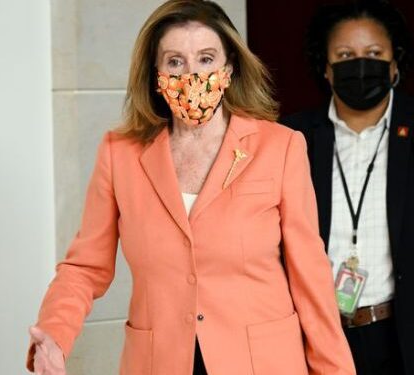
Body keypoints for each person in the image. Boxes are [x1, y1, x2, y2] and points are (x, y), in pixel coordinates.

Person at [26, 1, 356, 374]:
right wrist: (54, 335)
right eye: (175, 62)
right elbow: (83, 268)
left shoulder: (280, 147)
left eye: (206, 58)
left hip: (262, 363)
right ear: (155, 73)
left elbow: (310, 280)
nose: (192, 74)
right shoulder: (119, 154)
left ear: (229, 68)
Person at [282, 1, 414, 375]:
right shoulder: (292, 139)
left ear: (395, 64)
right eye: (345, 55)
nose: (361, 64)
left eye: (374, 54)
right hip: (317, 343)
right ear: (327, 69)